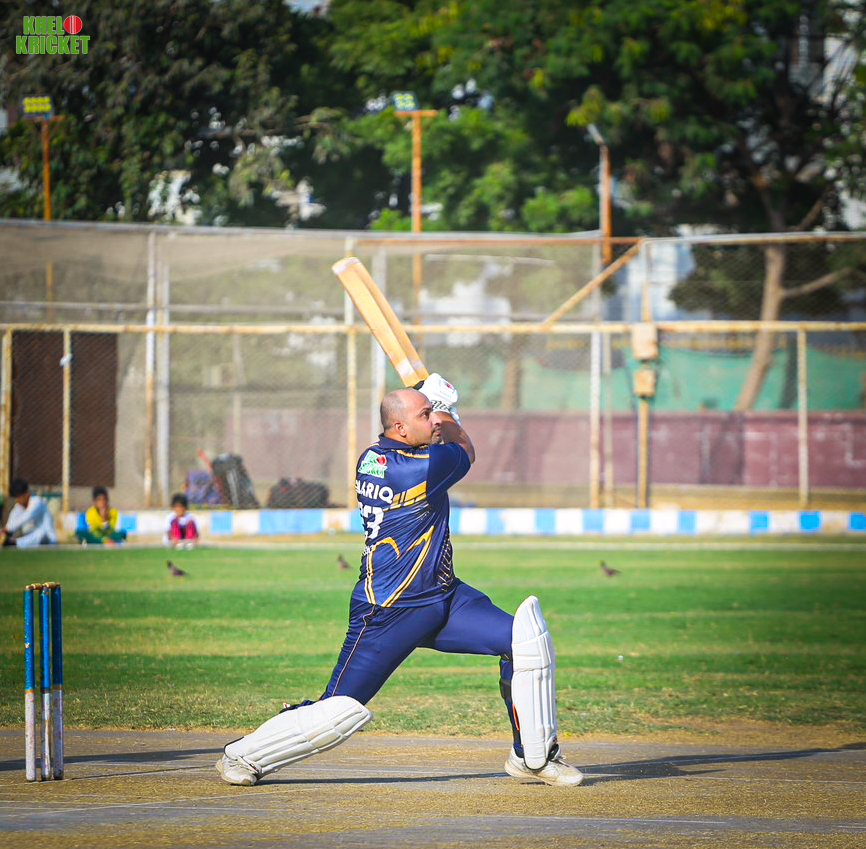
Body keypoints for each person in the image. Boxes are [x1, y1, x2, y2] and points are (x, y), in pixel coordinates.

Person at [216, 374, 582, 788]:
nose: (434, 420)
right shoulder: (421, 467)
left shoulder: (374, 457)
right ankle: (243, 755)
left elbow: (435, 440)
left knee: (524, 641)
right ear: (401, 428)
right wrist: (448, 411)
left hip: (444, 597)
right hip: (389, 610)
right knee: (336, 710)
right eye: (426, 414)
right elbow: (465, 449)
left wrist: (431, 405)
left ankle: (533, 756)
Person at [2, 478, 57, 547]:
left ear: (26, 493)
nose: (17, 500)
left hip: (47, 540)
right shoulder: (19, 506)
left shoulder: (37, 502)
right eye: (15, 497)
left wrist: (8, 528)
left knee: (41, 533)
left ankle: (15, 543)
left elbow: (27, 516)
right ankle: (14, 543)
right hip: (30, 540)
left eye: (19, 497)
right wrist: (4, 532)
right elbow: (11, 522)